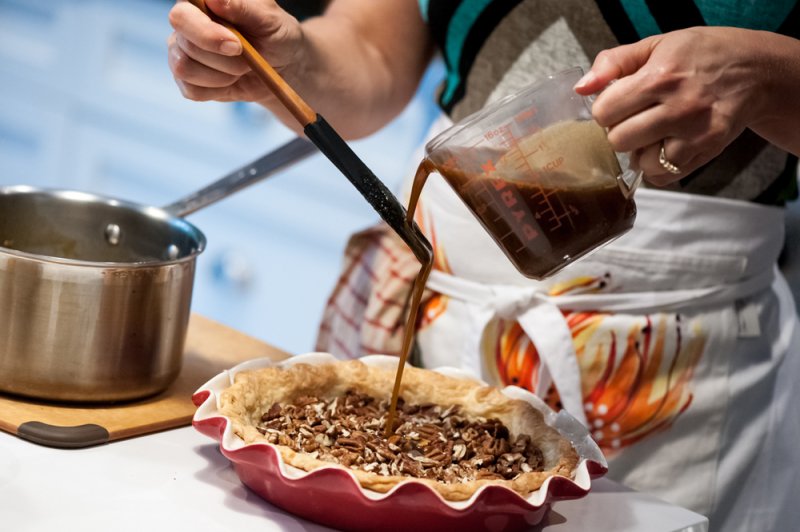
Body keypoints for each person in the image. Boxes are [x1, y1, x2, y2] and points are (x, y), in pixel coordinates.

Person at [167, 1, 800, 530]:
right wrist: (297, 62)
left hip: (673, 368)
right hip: (435, 301)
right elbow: (374, 54)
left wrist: (767, 74)